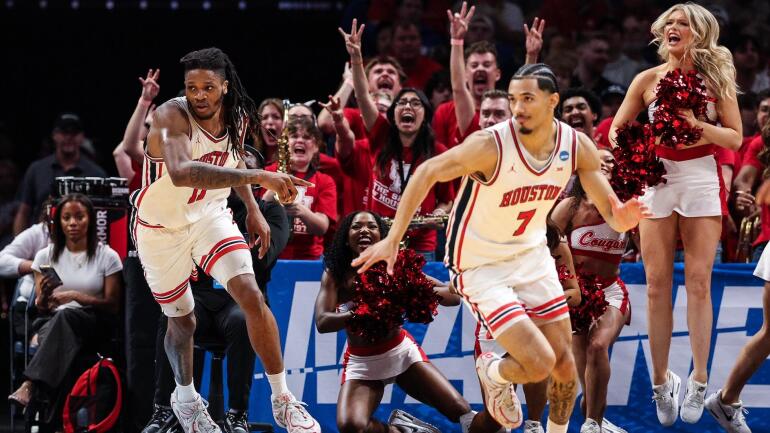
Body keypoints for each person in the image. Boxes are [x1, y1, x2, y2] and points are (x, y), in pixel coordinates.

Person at [352, 62, 648, 433]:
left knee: (565, 373)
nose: (518, 107)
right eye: (513, 99)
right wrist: (393, 238)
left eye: (528, 98)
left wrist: (625, 217)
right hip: (481, 263)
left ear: (552, 101)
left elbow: (613, 214)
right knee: (539, 363)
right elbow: (427, 172)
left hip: (531, 254)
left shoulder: (576, 146)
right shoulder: (489, 145)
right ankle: (494, 372)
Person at [132, 47, 319, 433]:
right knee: (182, 320)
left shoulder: (237, 115)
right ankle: (185, 398)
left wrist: (251, 208)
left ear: (225, 86)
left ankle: (283, 398)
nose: (199, 95)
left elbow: (233, 158)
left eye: (208, 87)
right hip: (161, 228)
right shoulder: (170, 115)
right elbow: (181, 173)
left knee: (251, 294)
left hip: (209, 216)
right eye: (192, 87)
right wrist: (260, 177)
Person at [610, 3, 742, 426]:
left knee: (699, 282)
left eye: (683, 23)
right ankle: (661, 381)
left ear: (698, 33)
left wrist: (691, 124)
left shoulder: (715, 78)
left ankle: (700, 379)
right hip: (658, 179)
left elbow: (735, 138)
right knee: (656, 285)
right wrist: (642, 146)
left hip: (700, 177)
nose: (674, 27)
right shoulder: (646, 79)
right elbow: (615, 131)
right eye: (670, 22)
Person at [144, 144, 292, 433]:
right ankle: (165, 410)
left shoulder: (268, 212)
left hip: (238, 301)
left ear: (257, 178)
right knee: (174, 312)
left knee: (242, 318)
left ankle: (238, 413)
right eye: (228, 170)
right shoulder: (199, 209)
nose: (234, 176)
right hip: (199, 295)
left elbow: (262, 260)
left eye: (243, 170)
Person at [315, 210, 479, 433]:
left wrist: (409, 291)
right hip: (363, 362)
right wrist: (364, 312)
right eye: (356, 226)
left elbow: (452, 298)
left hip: (401, 354)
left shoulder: (396, 265)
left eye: (372, 226)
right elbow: (322, 322)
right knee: (352, 426)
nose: (364, 230)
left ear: (383, 236)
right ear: (346, 237)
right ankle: (402, 430)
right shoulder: (336, 273)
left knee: (461, 411)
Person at [341, 21, 454, 260]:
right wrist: (357, 59)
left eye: (415, 103)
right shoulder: (381, 135)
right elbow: (363, 96)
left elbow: (447, 200)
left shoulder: (437, 151)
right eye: (401, 103)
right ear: (392, 115)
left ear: (425, 115)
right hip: (378, 240)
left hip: (421, 245)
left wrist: (438, 214)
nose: (407, 107)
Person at [7, 194, 122, 415]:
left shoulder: (107, 256)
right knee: (59, 323)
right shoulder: (44, 256)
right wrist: (44, 296)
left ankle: (31, 385)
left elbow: (112, 305)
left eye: (79, 217)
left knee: (65, 317)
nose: (72, 223)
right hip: (52, 320)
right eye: (66, 217)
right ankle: (60, 419)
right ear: (58, 222)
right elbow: (42, 307)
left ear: (91, 219)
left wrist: (76, 296)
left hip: (93, 322)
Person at [551, 149, 631, 433]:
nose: (606, 164)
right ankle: (596, 423)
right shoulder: (569, 207)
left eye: (611, 161)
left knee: (598, 346)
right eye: (599, 160)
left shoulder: (627, 206)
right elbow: (545, 248)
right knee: (588, 383)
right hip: (576, 296)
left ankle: (593, 425)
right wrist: (566, 284)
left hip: (611, 292)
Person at [14, 113, 107, 235]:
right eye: (64, 132)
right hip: (43, 238)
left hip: (82, 240)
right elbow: (23, 212)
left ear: (82, 137)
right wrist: (19, 243)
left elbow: (103, 216)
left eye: (74, 133)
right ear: (54, 135)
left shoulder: (96, 174)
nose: (68, 137)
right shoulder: (36, 169)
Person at [263, 117, 338, 260]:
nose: (300, 140)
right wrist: (274, 189)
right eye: (294, 136)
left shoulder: (325, 181)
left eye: (307, 137)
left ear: (316, 147)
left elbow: (322, 227)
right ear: (285, 144)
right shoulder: (268, 173)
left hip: (308, 259)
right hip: (270, 256)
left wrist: (301, 211)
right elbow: (254, 213)